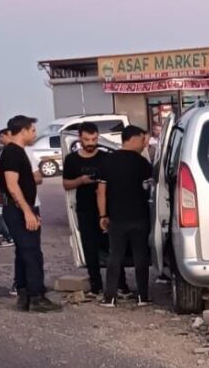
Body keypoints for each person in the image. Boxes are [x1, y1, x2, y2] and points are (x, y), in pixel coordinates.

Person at [0, 115, 61, 313]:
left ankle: (24, 295)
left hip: (24, 208)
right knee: (31, 252)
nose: (35, 133)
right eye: (33, 130)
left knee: (24, 252)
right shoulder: (12, 152)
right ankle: (36, 296)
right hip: (18, 210)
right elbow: (12, 185)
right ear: (23, 131)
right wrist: (27, 212)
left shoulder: (19, 152)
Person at [62, 122, 129, 297]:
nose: (91, 143)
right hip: (85, 210)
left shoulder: (107, 158)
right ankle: (95, 286)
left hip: (108, 210)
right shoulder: (72, 159)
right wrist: (81, 181)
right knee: (90, 250)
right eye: (87, 139)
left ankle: (120, 285)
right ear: (79, 138)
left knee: (113, 248)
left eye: (94, 139)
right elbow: (66, 184)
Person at [98, 125, 154, 308]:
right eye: (142, 139)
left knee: (115, 256)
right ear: (132, 139)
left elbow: (101, 191)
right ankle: (143, 297)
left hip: (116, 217)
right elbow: (151, 189)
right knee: (141, 257)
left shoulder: (108, 161)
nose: (144, 143)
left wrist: (103, 215)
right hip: (139, 217)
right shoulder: (142, 163)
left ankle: (110, 298)